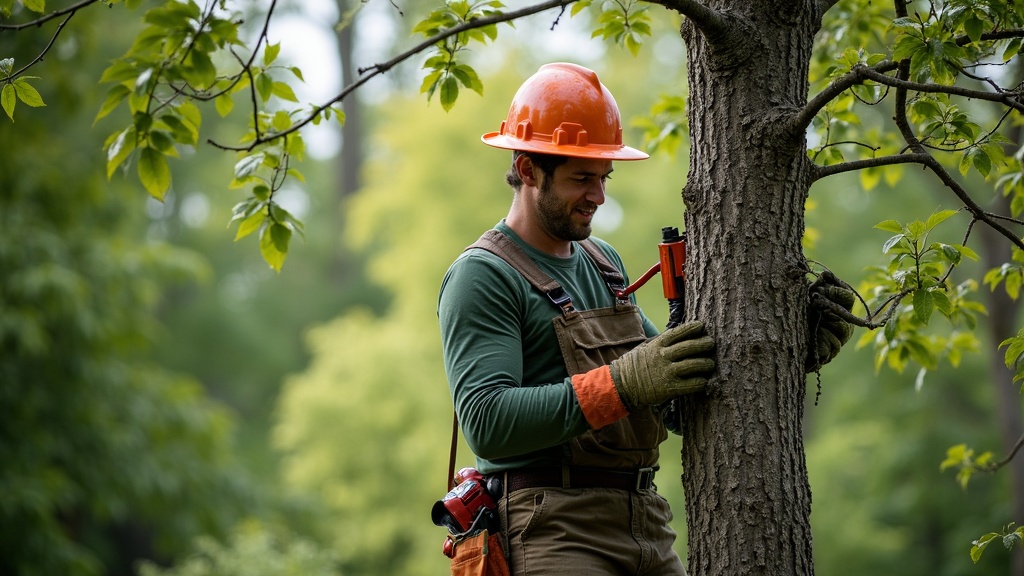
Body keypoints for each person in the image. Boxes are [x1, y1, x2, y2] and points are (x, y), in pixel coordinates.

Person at [437, 62, 853, 576]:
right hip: (551, 530)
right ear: (527, 170)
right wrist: (625, 382)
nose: (598, 195)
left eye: (603, 177)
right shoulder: (484, 275)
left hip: (648, 525)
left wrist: (791, 349)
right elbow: (489, 423)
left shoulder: (601, 261)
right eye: (581, 178)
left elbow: (677, 387)